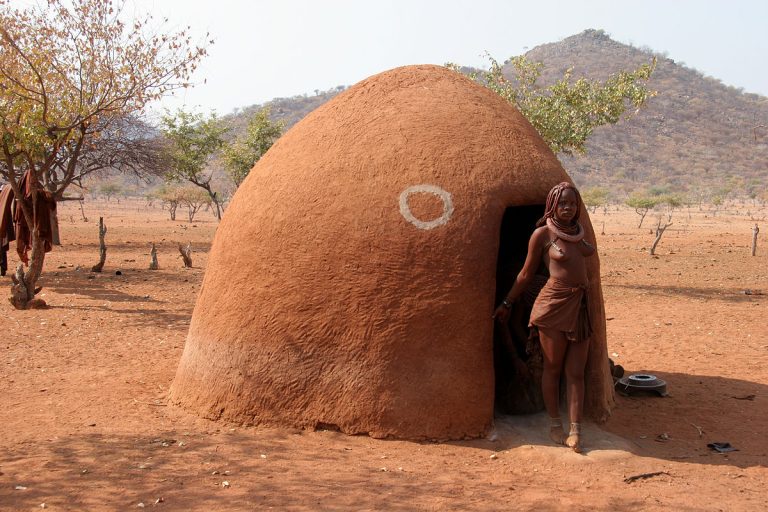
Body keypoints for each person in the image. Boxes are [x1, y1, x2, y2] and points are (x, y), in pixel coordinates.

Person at [494, 182, 596, 453]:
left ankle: (576, 429)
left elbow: (585, 254)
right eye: (562, 203)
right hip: (553, 306)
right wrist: (508, 301)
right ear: (552, 204)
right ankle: (554, 425)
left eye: (573, 203)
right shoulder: (542, 234)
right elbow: (526, 274)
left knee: (575, 372)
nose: (568, 208)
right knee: (552, 367)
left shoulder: (578, 234)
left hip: (580, 306)